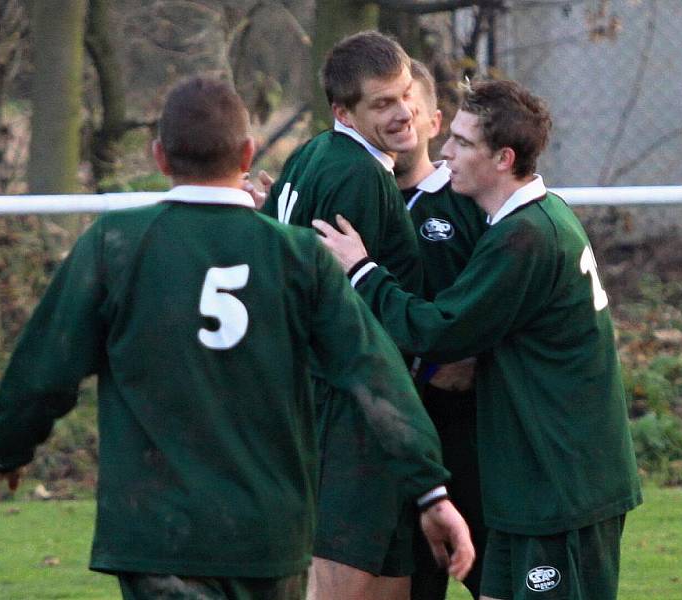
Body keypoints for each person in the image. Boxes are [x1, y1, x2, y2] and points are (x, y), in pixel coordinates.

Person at [0, 76, 475, 600]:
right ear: (248, 153)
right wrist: (430, 490)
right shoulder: (301, 258)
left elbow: (45, 371)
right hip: (269, 534)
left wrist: (6, 452)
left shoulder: (114, 245)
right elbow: (374, 373)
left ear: (160, 157)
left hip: (159, 532)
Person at [314, 79, 643, 600]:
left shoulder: (528, 238)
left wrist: (360, 270)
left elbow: (438, 329)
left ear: (502, 158)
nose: (446, 151)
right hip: (523, 486)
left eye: (463, 143)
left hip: (562, 485)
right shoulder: (518, 225)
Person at [261, 31, 429, 600]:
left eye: (406, 94)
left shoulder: (312, 153)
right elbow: (337, 309)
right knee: (337, 581)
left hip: (348, 401)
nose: (405, 112)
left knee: (388, 583)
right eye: (383, 103)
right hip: (350, 405)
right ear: (344, 112)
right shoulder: (357, 175)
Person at [396, 60, 488, 600]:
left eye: (407, 106)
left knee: (486, 562)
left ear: (434, 122)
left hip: (464, 421)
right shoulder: (364, 198)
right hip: (396, 421)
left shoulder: (467, 201)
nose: (397, 119)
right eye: (381, 106)